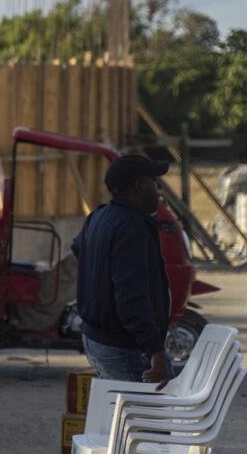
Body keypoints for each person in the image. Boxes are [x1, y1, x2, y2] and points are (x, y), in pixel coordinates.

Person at [71, 154, 173, 390]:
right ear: (140, 185)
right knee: (148, 412)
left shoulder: (99, 216)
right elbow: (131, 297)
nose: (158, 192)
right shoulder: (131, 226)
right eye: (155, 183)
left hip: (98, 338)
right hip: (124, 347)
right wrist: (154, 350)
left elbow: (78, 247)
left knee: (121, 408)